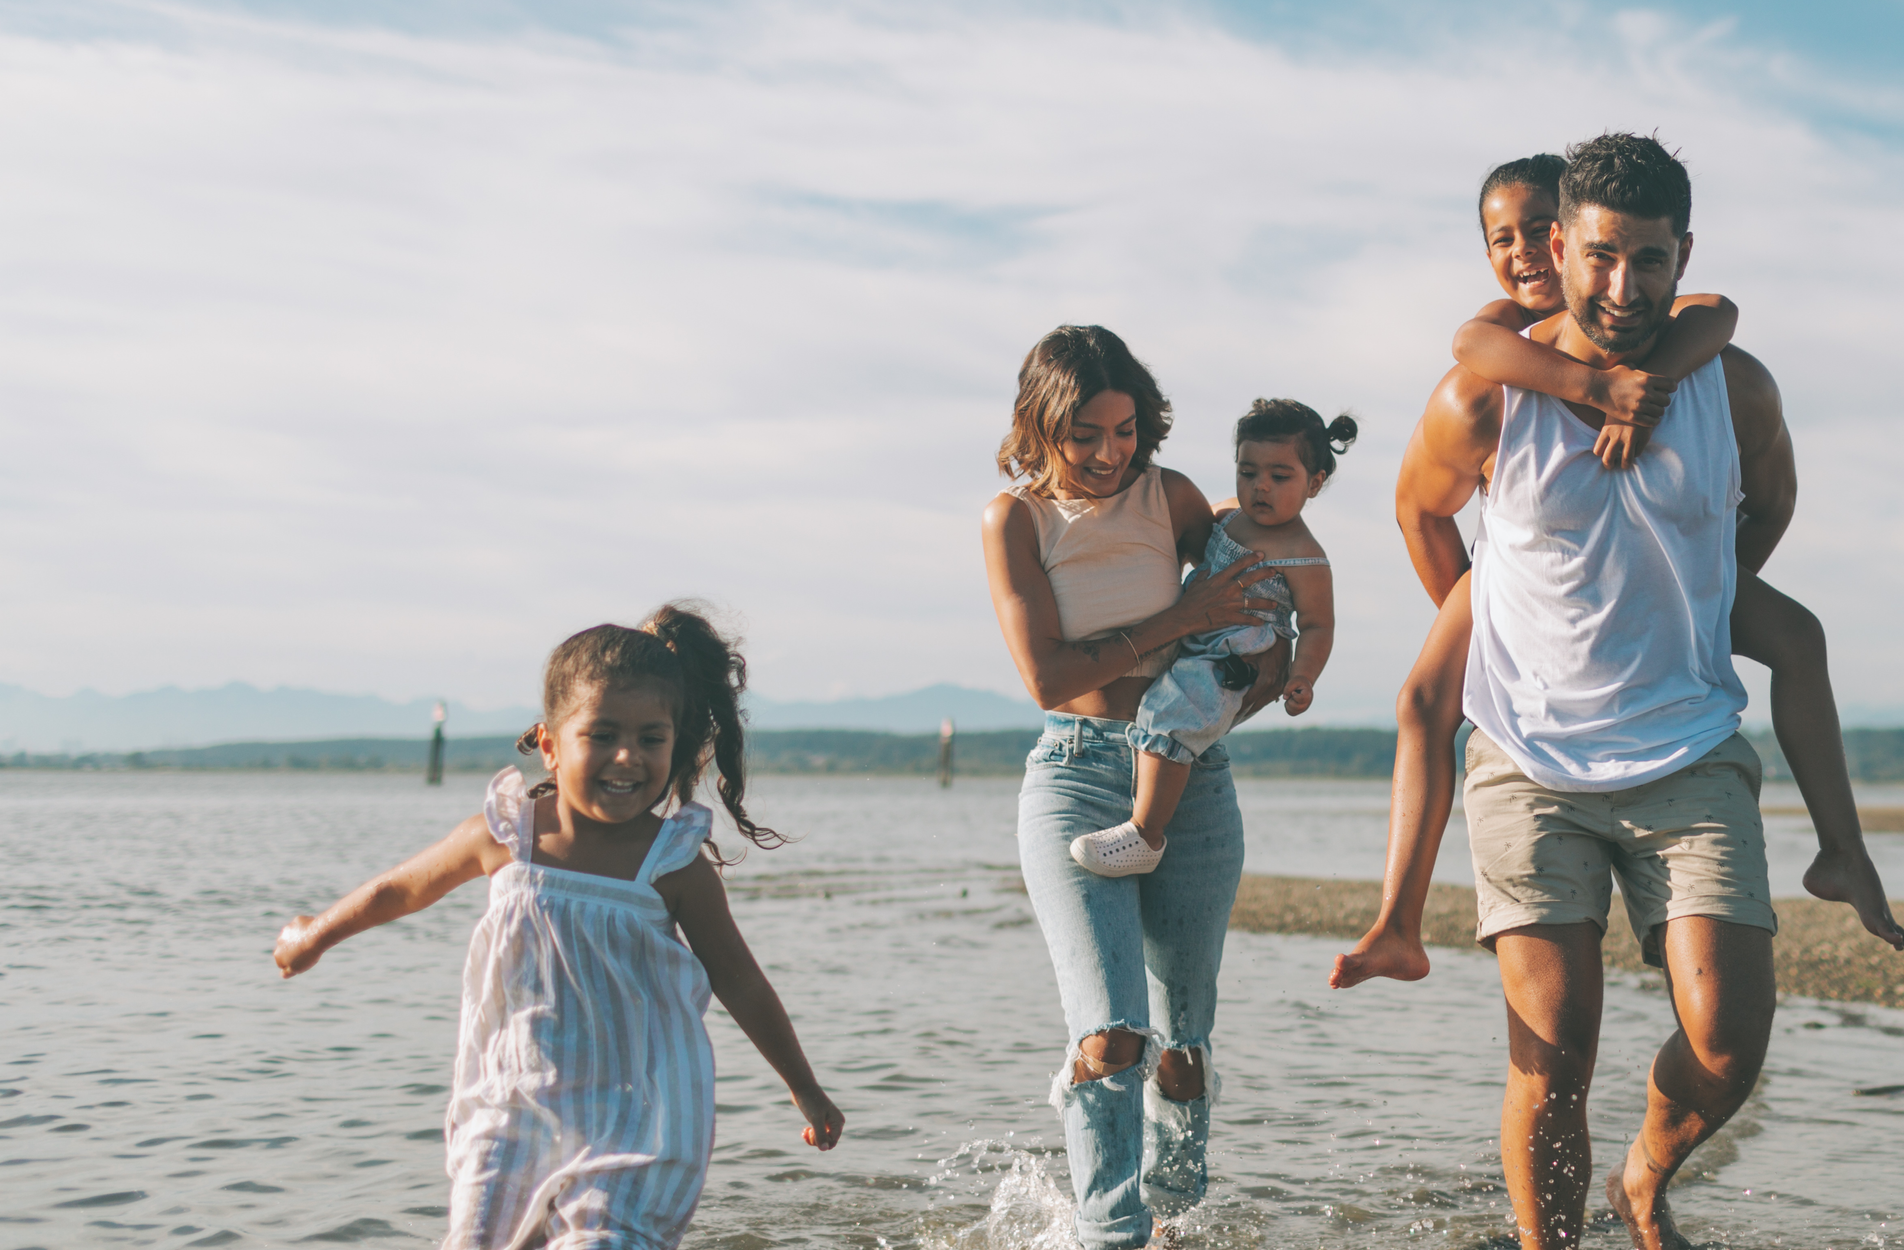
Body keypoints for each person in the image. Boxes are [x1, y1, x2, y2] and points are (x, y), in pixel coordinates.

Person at [1375, 133, 1903, 1250]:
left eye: (1649, 261)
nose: (1624, 287)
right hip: (1526, 757)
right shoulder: (1484, 400)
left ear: (1683, 258)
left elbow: (1770, 500)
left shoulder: (1731, 384)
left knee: (1726, 1045)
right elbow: (1419, 509)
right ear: (1561, 249)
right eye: (1602, 257)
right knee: (1554, 1047)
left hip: (1689, 749)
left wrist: (1699, 590)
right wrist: (1484, 610)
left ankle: (1644, 1173)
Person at [270, 604, 843, 1250]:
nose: (627, 756)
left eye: (652, 739)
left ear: (675, 744)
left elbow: (740, 981)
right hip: (512, 1113)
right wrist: (313, 934)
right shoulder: (508, 835)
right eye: (601, 735)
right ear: (549, 743)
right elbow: (401, 889)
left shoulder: (673, 863)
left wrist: (805, 1088)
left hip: (635, 1123)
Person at [980, 325, 1287, 1248]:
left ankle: (1179, 1218)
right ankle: (1110, 1232)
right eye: (1085, 434)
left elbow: (1258, 608)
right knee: (1114, 1034)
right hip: (1073, 776)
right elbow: (1047, 676)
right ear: (1041, 426)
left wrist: (1250, 679)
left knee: (1182, 1048)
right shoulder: (1016, 521)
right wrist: (1182, 619)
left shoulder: (1176, 497)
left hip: (1191, 780)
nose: (1110, 453)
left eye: (1125, 431)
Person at [1067, 399, 1355, 877]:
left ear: (1315, 482)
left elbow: (1319, 624)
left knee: (1171, 717)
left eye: (1280, 477)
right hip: (1192, 636)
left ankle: (1146, 833)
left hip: (1233, 656)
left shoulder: (1306, 556)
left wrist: (1303, 675)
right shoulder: (1223, 517)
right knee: (1156, 703)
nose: (1260, 486)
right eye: (1248, 472)